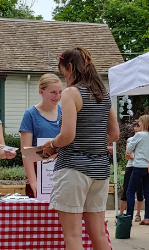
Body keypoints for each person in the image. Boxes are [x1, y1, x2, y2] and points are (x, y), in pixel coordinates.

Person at [39, 47, 118, 250]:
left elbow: (67, 135)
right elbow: (114, 134)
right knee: (99, 233)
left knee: (73, 236)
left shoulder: (71, 93)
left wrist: (51, 145)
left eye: (63, 70)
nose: (63, 76)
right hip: (100, 170)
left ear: (71, 66)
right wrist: (90, 140)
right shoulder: (103, 94)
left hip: (73, 168)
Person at [20, 74, 64, 198]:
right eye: (53, 92)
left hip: (62, 172)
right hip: (39, 172)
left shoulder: (65, 112)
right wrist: (33, 181)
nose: (58, 96)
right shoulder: (30, 115)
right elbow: (26, 152)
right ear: (41, 92)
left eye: (60, 92)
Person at [126, 114, 149, 225]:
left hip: (138, 165)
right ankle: (147, 217)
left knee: (130, 191)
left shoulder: (139, 135)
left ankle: (128, 216)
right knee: (147, 192)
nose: (138, 123)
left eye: (140, 121)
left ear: (143, 123)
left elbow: (129, 148)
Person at [119, 121, 145, 216]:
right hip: (131, 165)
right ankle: (121, 213)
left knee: (139, 190)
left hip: (141, 165)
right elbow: (127, 155)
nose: (136, 128)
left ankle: (138, 213)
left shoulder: (145, 138)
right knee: (126, 188)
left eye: (138, 126)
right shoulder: (130, 139)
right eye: (135, 126)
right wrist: (132, 156)